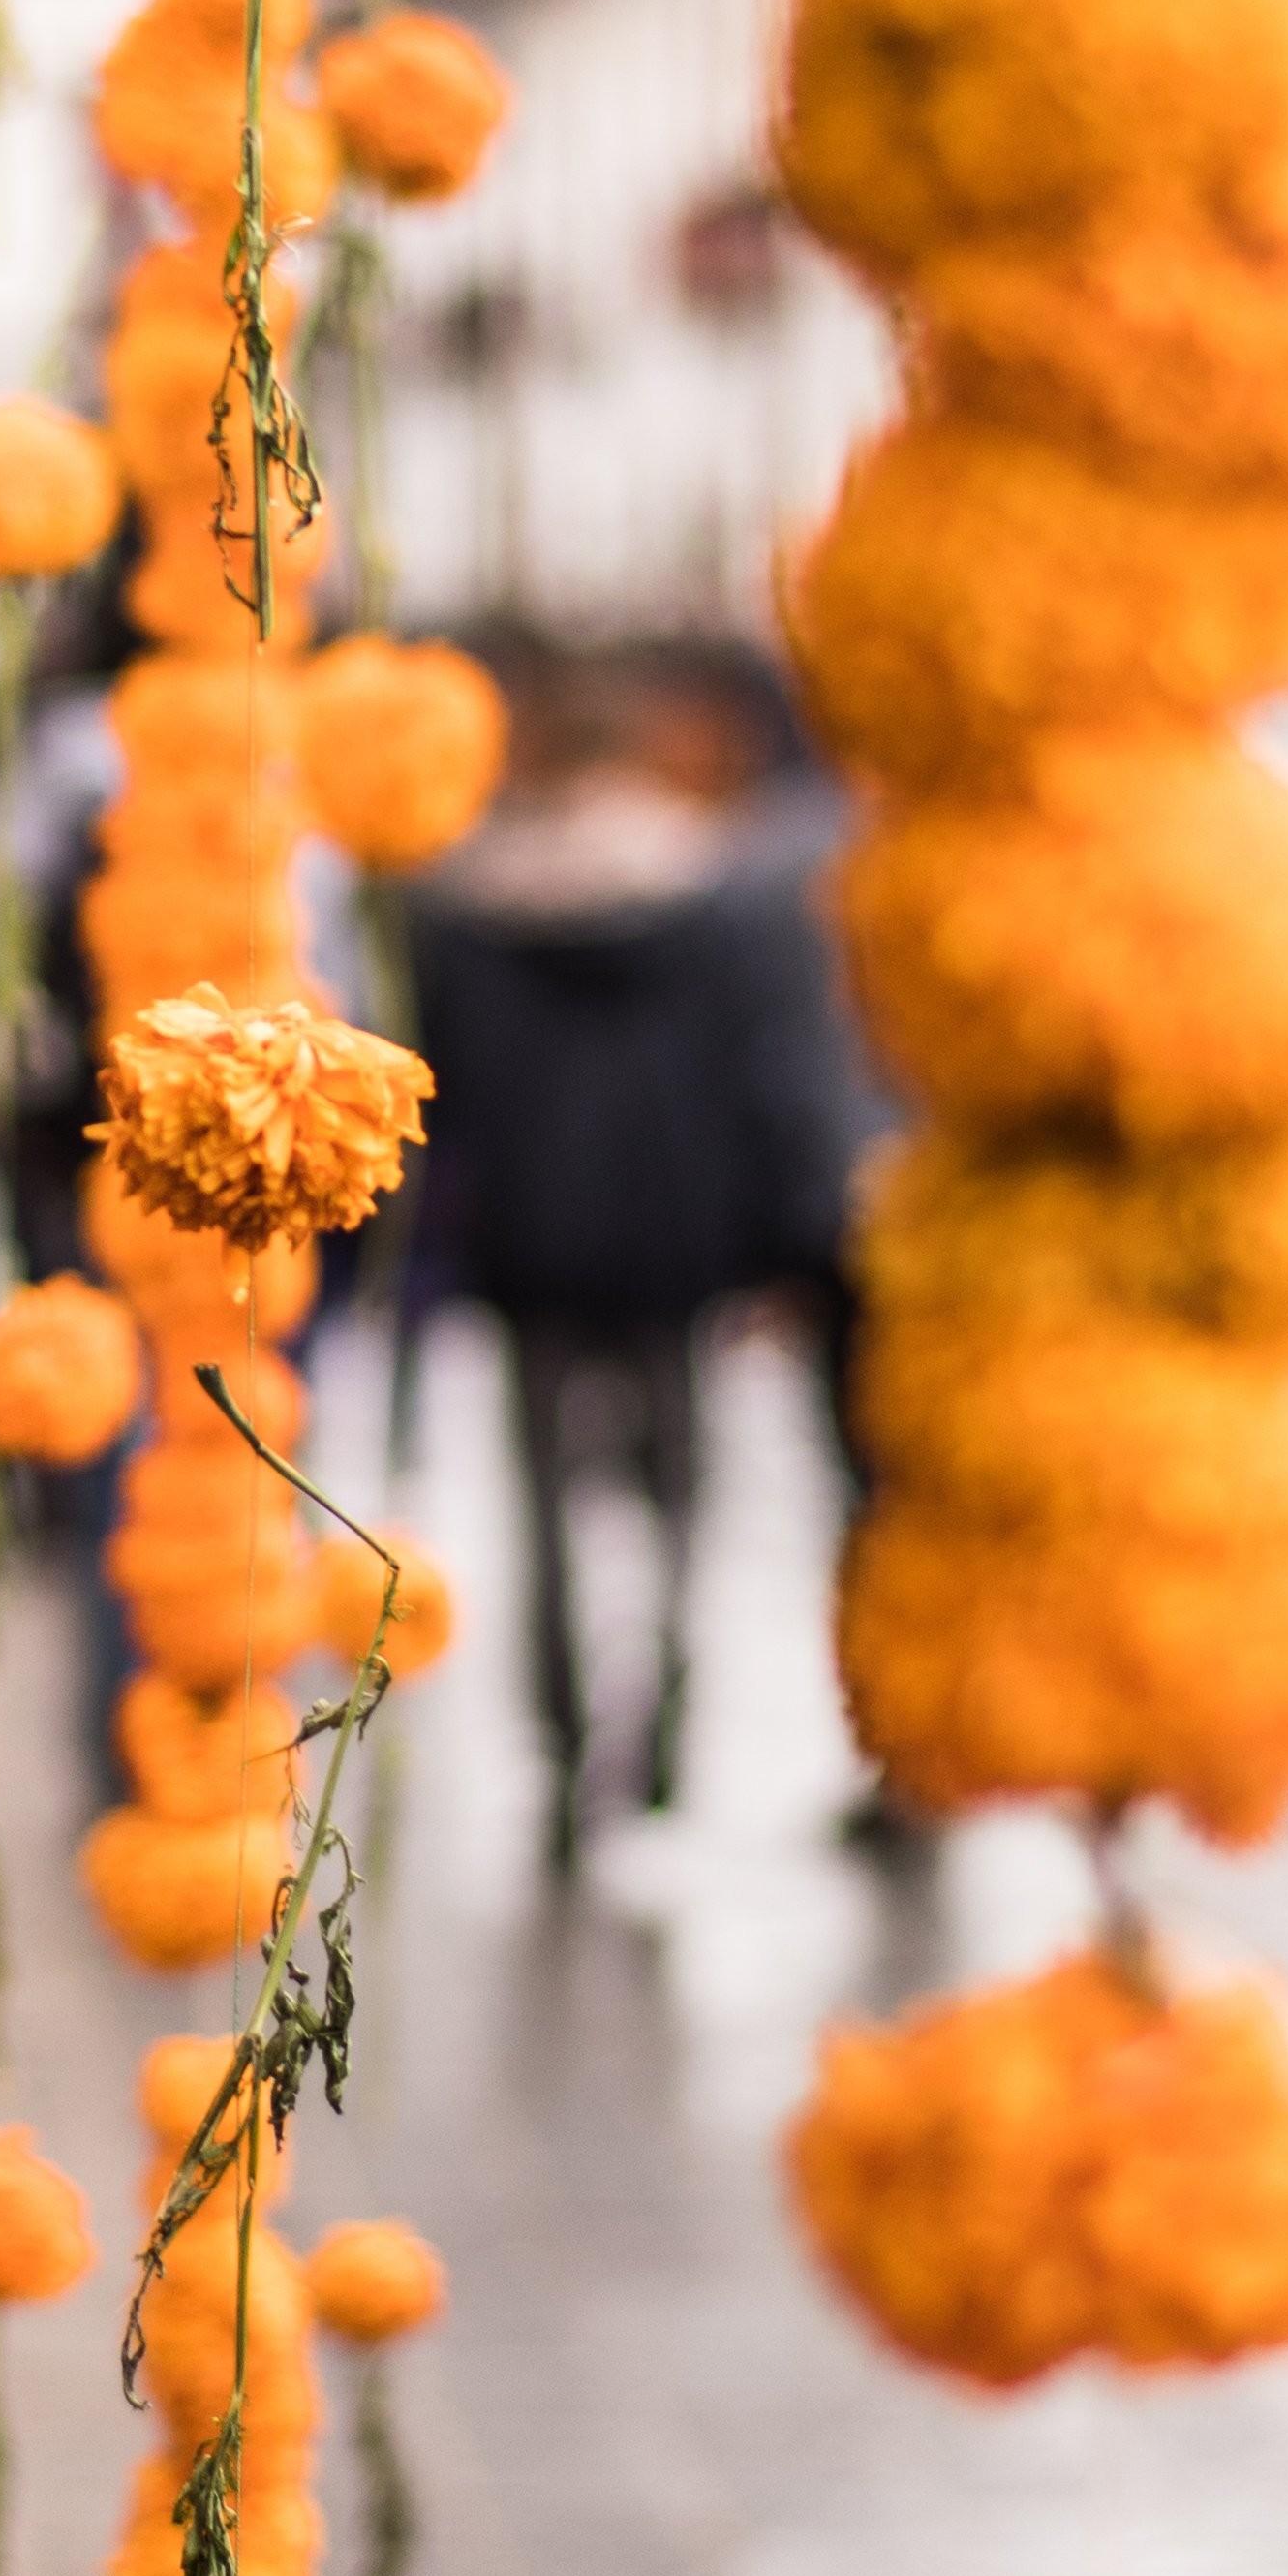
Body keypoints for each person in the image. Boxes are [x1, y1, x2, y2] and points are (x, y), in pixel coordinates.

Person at [407, 650, 872, 1868]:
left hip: (534, 1244)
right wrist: (779, 1240)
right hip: (678, 1244)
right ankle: (660, 1717)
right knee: (679, 1498)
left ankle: (564, 1755)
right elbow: (758, 1077)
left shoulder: (469, 907)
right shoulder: (715, 901)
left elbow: (430, 1097)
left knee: (545, 1506)